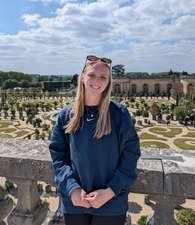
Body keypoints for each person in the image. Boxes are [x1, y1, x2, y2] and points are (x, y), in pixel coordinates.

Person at [49, 55, 140, 225]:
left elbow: (131, 154)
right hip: (76, 201)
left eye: (103, 77)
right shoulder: (66, 115)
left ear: (108, 82)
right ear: (82, 77)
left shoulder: (119, 114)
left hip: (111, 202)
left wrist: (110, 191)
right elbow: (58, 156)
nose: (96, 80)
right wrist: (72, 188)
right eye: (91, 75)